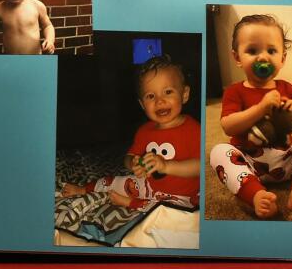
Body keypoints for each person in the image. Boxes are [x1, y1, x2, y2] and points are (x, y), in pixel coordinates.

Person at [208, 14, 292, 219]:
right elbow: (228, 126)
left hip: (288, 159)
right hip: (250, 162)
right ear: (237, 57)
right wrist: (260, 108)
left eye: (271, 51)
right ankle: (256, 194)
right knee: (218, 152)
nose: (263, 57)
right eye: (252, 51)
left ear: (282, 58)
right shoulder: (235, 91)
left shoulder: (286, 88)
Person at [61, 54, 201, 210]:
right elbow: (129, 156)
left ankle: (133, 203)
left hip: (182, 196)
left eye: (168, 92)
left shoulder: (193, 128)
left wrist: (167, 166)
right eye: (150, 96)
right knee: (116, 181)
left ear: (184, 94)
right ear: (142, 104)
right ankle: (84, 189)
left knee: (170, 212)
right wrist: (134, 164)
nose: (159, 101)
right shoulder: (145, 130)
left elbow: (200, 166)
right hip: (149, 186)